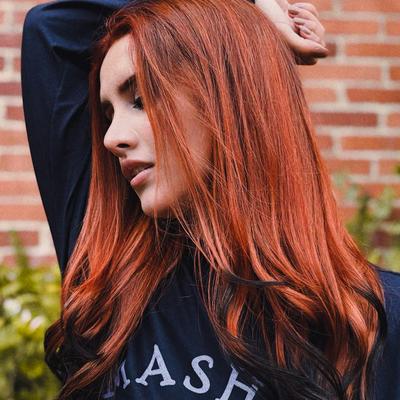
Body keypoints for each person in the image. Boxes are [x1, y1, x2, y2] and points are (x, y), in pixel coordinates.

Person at [20, 0, 400, 399]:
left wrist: (235, 20)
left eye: (141, 100)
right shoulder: (111, 280)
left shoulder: (370, 319)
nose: (111, 138)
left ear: (226, 101)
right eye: (108, 115)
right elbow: (52, 30)